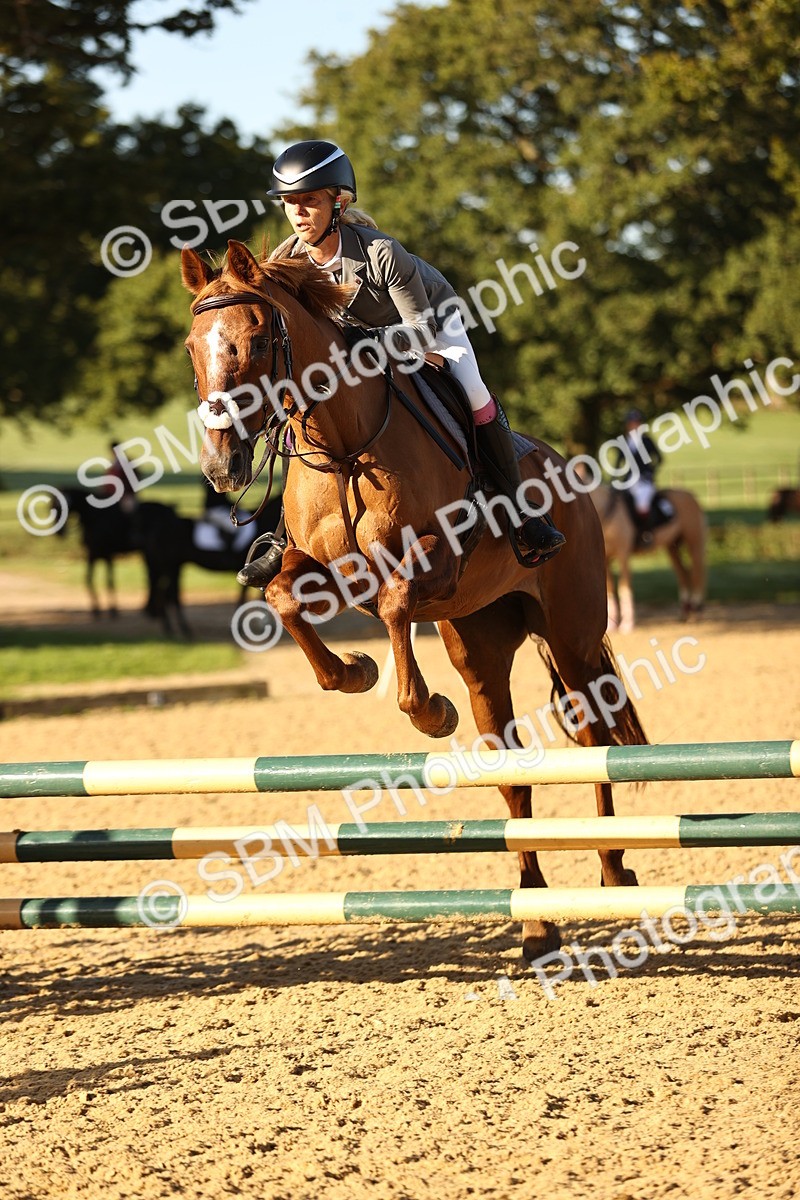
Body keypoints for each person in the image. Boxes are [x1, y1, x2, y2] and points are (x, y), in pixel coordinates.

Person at [237, 140, 565, 588]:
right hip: (357, 345)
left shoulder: (381, 253)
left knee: (474, 394)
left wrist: (367, 343)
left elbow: (421, 331)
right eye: (290, 203)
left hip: (432, 325)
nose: (298, 213)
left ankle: (523, 513)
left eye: (309, 200)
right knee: (303, 412)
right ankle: (284, 535)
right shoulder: (287, 261)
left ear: (338, 202)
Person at [617, 409, 665, 544]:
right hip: (628, 481)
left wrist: (651, 472)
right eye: (631, 423)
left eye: (636, 423)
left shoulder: (647, 440)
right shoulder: (624, 442)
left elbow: (659, 458)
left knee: (642, 504)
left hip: (644, 480)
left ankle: (646, 533)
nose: (634, 426)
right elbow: (618, 463)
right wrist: (614, 479)